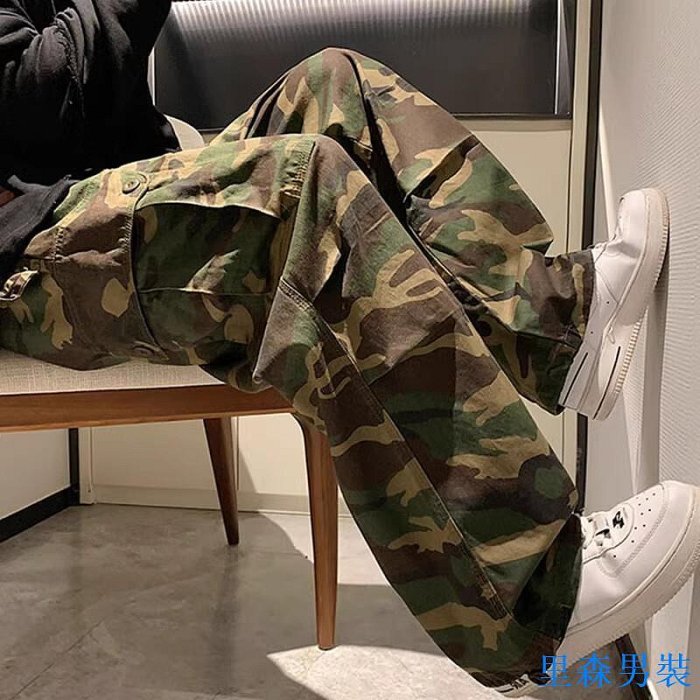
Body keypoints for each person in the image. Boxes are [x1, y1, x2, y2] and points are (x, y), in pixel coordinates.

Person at [1, 1, 698, 695]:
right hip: (28, 253)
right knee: (305, 190)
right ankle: (534, 598)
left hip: (102, 190)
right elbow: (36, 100)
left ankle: (559, 331)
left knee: (336, 81)